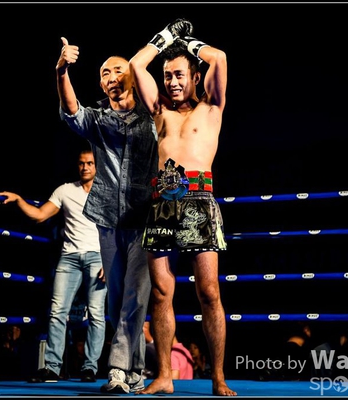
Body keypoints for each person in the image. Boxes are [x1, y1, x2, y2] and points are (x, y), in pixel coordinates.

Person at [129, 19, 236, 396]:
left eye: (178, 75)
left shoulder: (211, 107)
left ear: (195, 77)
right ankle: (164, 376)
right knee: (161, 292)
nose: (172, 82)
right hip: (163, 204)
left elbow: (219, 57)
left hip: (199, 202)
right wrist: (165, 38)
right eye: (167, 76)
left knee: (209, 292)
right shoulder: (159, 110)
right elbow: (136, 65)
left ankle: (218, 377)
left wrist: (187, 41)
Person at [56, 35, 159, 394]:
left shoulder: (153, 114)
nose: (111, 76)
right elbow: (72, 111)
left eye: (118, 69)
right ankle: (136, 371)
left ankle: (116, 370)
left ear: (132, 75)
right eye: (104, 73)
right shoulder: (98, 119)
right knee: (117, 301)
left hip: (146, 218)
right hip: (107, 218)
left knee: (135, 295)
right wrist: (62, 71)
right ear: (101, 85)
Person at [0, 149, 107, 384]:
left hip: (98, 257)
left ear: (97, 166)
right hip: (69, 257)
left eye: (89, 163)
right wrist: (19, 200)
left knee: (96, 314)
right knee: (57, 312)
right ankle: (52, 367)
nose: (85, 167)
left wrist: (110, 261)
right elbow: (39, 215)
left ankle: (90, 367)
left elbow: (116, 229)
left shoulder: (107, 191)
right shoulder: (65, 190)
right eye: (81, 163)